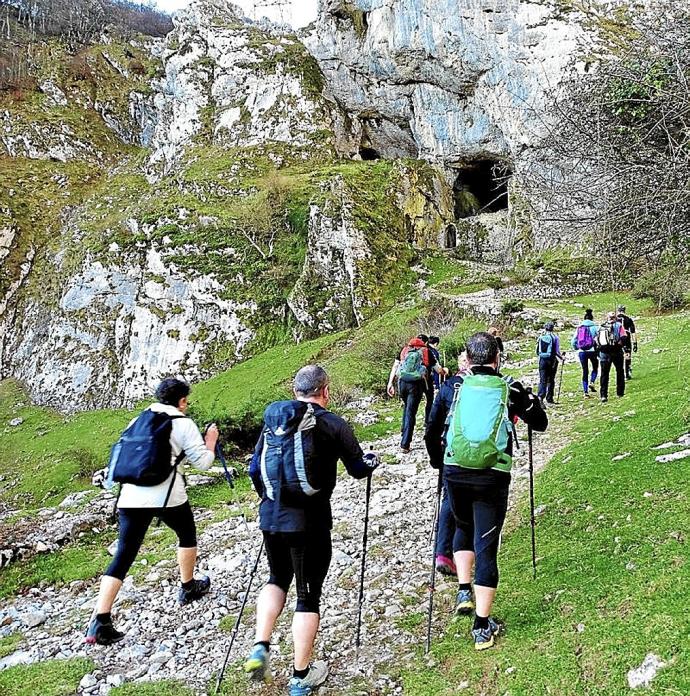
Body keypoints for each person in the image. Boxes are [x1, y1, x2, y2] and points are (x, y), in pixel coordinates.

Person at [245, 365, 379, 695]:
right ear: (325, 390)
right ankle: (300, 676)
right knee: (307, 596)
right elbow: (358, 469)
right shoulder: (332, 423)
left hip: (271, 518)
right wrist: (372, 461)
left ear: (296, 392)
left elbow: (253, 468)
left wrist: (270, 500)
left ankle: (260, 644)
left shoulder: (274, 421)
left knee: (276, 579)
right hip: (310, 522)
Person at [425, 332, 547, 650]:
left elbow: (431, 430)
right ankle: (481, 627)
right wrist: (529, 402)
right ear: (496, 358)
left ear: (468, 357)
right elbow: (540, 422)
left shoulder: (452, 387)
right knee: (487, 545)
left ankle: (464, 588)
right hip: (492, 477)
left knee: (463, 526)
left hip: (455, 473)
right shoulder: (510, 388)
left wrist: (440, 463)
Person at [85, 378, 218, 646]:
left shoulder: (137, 420)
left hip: (130, 496)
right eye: (186, 401)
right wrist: (210, 441)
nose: (187, 405)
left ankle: (100, 619)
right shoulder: (182, 423)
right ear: (181, 401)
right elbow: (203, 463)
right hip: (167, 496)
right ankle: (188, 586)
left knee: (124, 554)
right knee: (187, 535)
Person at [426, 350, 471, 577]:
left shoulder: (447, 387)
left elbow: (432, 427)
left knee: (448, 498)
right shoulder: (491, 385)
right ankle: (465, 550)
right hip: (480, 456)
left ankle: (442, 552)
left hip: (449, 453)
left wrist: (436, 458)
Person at [387, 337, 447, 453]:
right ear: (423, 343)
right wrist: (445, 371)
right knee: (411, 411)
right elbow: (438, 369)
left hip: (402, 383)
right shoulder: (426, 352)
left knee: (407, 407)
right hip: (416, 385)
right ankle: (405, 443)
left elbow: (395, 366)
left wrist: (390, 383)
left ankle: (404, 431)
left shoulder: (404, 350)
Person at [598, 311, 627, 402]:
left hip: (604, 353)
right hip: (616, 352)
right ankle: (620, 392)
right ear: (615, 318)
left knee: (604, 374)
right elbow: (624, 337)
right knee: (620, 371)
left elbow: (596, 339)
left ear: (607, 317)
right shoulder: (619, 325)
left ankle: (603, 395)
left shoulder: (602, 326)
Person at [571, 309, 599, 398]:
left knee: (585, 370)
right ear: (592, 319)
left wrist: (577, 348)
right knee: (595, 367)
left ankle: (585, 392)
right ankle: (592, 381)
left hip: (582, 352)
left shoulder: (579, 328)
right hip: (592, 351)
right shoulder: (595, 327)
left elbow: (573, 341)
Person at [536, 321, 564, 406]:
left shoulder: (541, 337)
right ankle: (550, 398)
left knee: (542, 380)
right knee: (551, 380)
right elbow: (556, 351)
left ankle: (540, 397)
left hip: (542, 360)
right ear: (553, 328)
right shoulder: (555, 338)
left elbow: (537, 351)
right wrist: (562, 358)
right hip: (552, 361)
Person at [617, 305, 638, 380]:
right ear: (624, 311)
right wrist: (635, 343)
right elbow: (633, 332)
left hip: (617, 340)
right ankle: (627, 374)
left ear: (618, 310)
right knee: (627, 355)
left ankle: (620, 374)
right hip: (626, 339)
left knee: (618, 357)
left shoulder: (615, 320)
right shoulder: (628, 319)